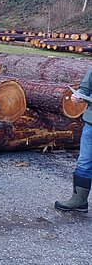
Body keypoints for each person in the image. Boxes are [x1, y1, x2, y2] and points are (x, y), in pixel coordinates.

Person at [55, 67, 92, 212]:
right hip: (90, 123)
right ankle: (79, 200)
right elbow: (85, 89)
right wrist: (79, 96)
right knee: (84, 162)